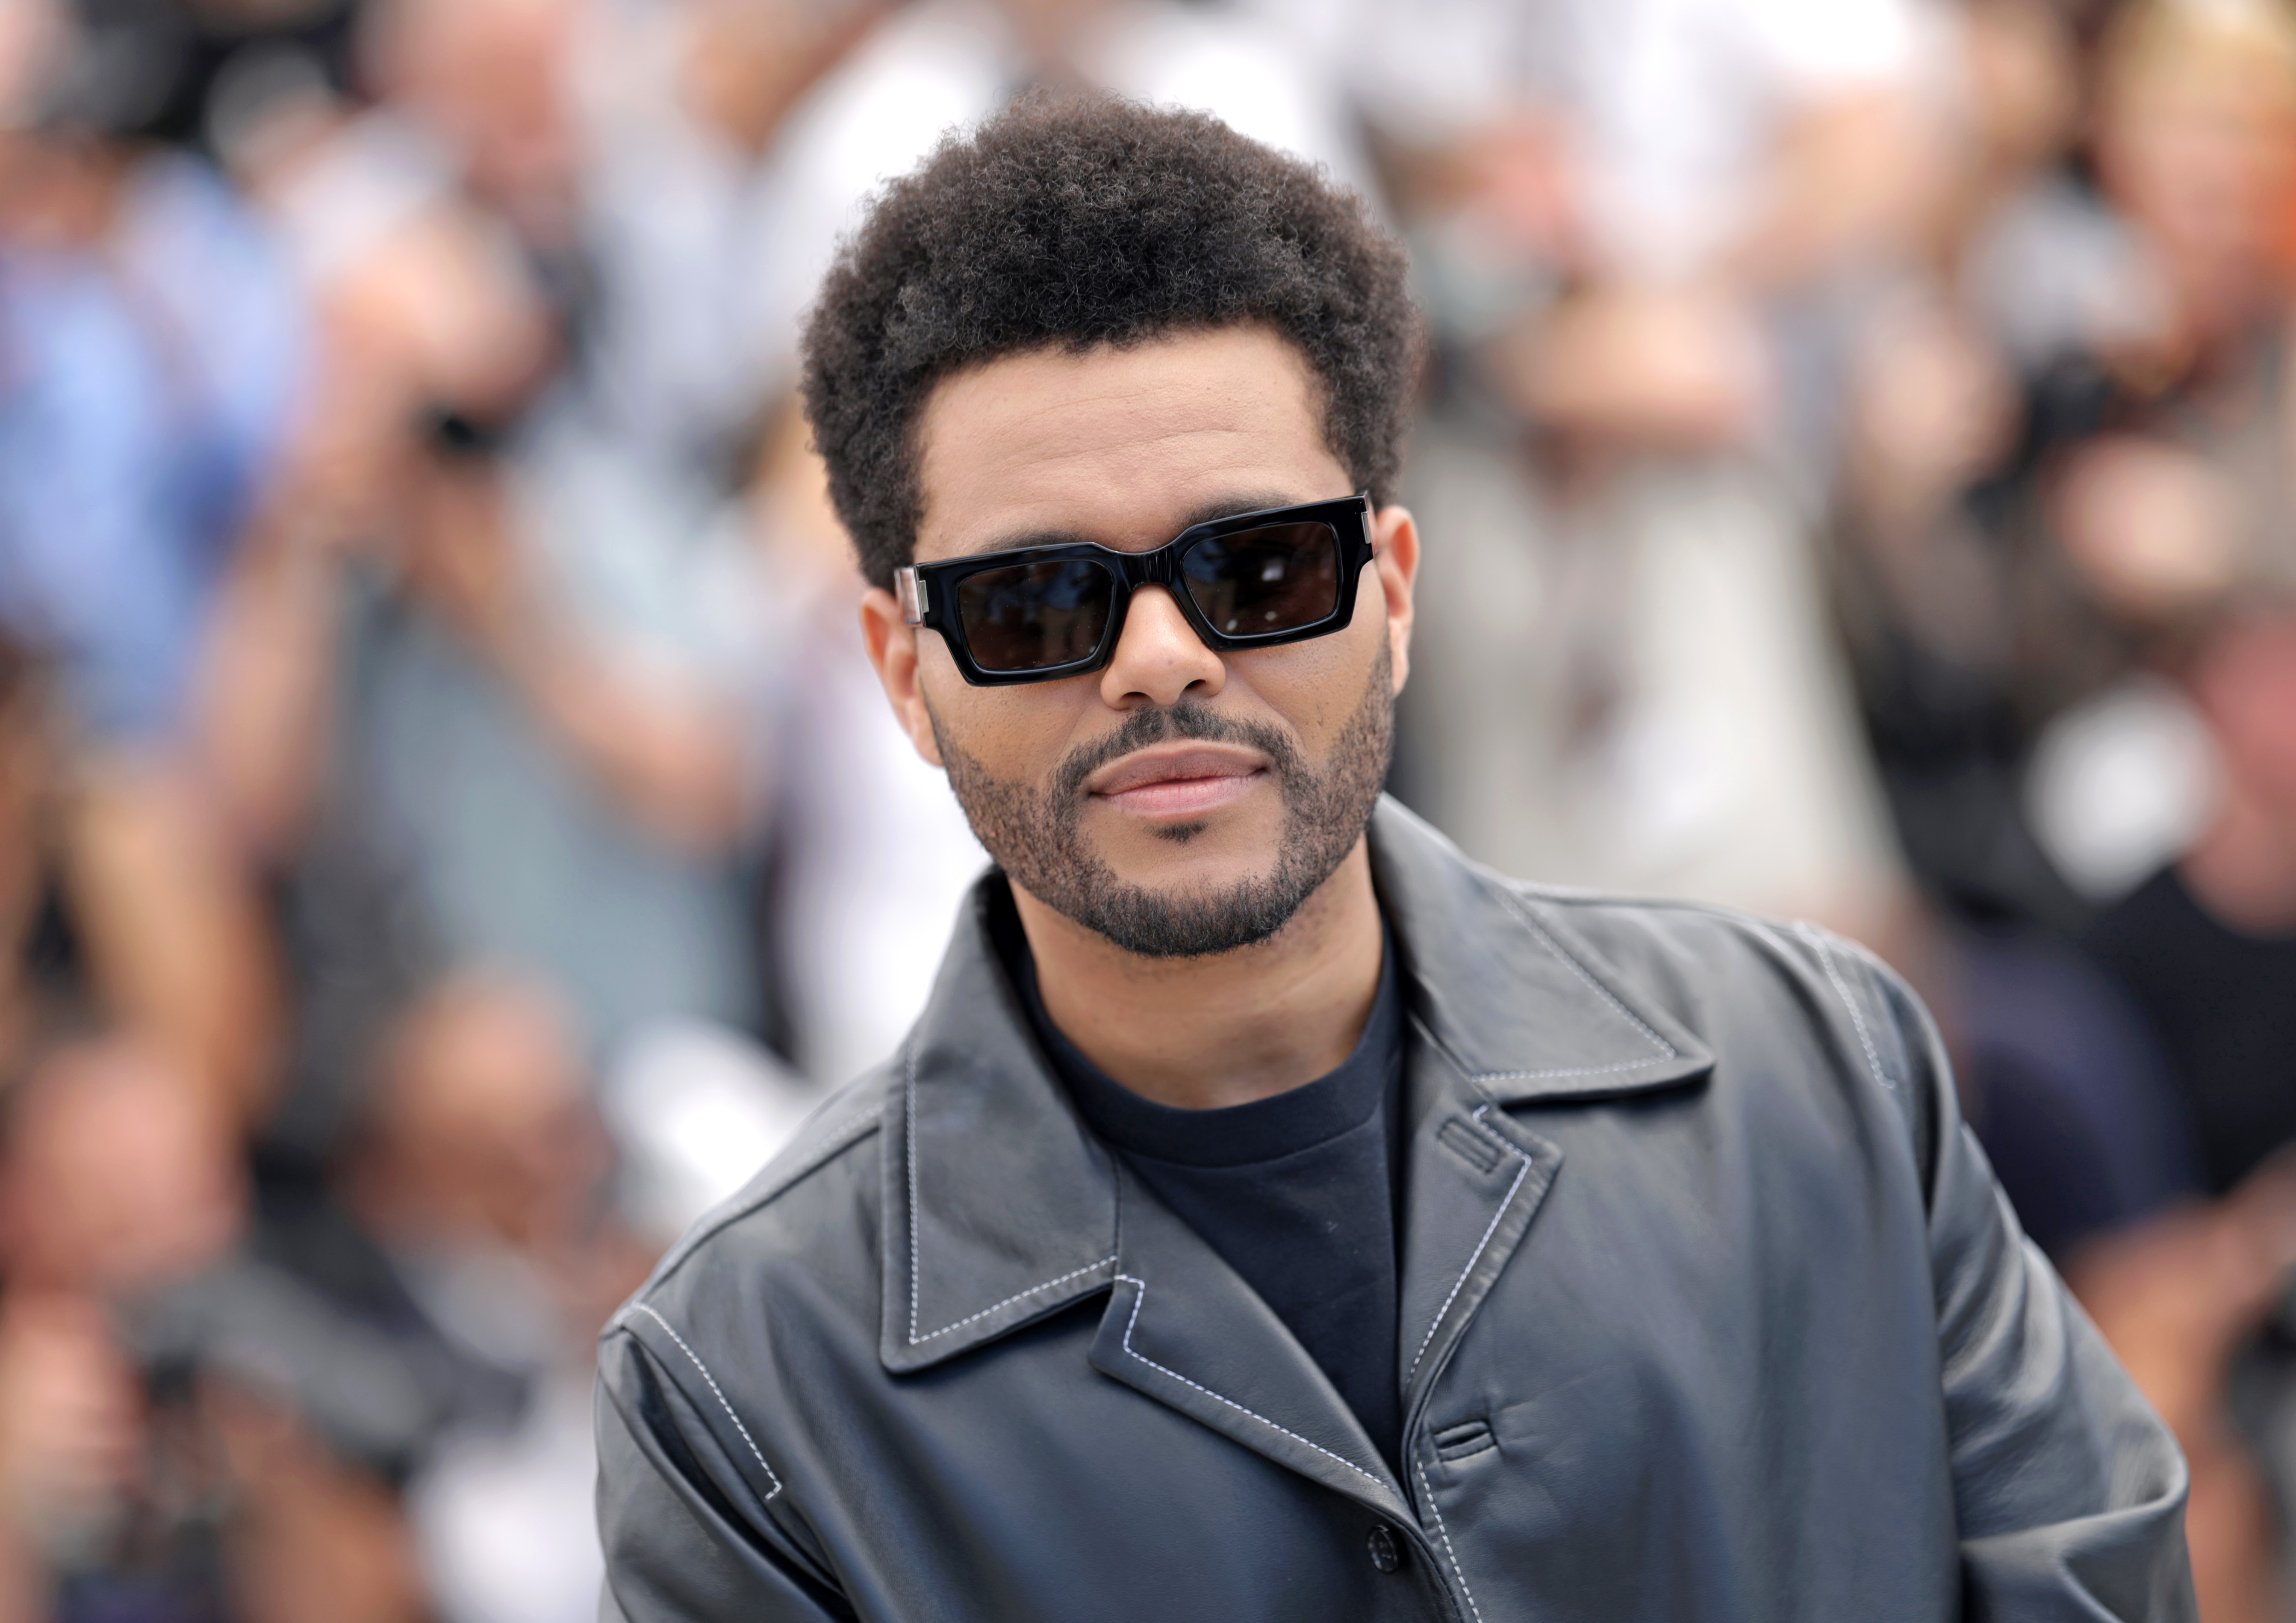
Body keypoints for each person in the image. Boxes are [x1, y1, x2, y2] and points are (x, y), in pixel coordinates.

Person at [594, 97, 2193, 1621]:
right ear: (900, 670)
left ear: (1396, 591)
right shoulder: (744, 1387)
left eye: (1263, 566)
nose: (1160, 657)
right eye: (1035, 605)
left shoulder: (1823, 1074)